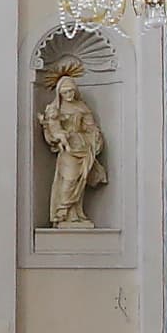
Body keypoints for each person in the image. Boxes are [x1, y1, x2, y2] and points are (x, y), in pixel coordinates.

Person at [39, 59, 108, 230]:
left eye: (71, 91)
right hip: (68, 152)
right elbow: (53, 130)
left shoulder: (82, 107)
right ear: (59, 93)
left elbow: (91, 127)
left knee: (80, 182)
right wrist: (58, 134)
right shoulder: (55, 108)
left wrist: (95, 138)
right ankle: (62, 213)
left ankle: (76, 215)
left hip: (83, 147)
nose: (69, 94)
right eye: (65, 92)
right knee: (69, 180)